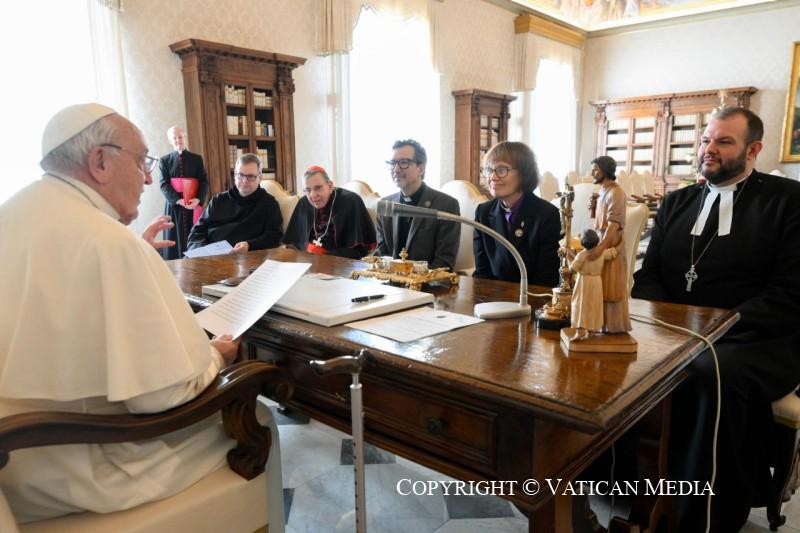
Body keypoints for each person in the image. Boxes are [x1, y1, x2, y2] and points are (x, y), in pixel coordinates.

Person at [0, 103, 253, 523]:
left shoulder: (14, 212)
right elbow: (163, 395)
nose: (150, 178)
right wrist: (216, 355)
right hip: (75, 465)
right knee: (256, 417)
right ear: (99, 161)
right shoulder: (108, 241)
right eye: (142, 162)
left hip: (16, 459)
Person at [632, 107, 800, 531]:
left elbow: (790, 293)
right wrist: (669, 325)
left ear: (753, 149)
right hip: (676, 333)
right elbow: (647, 277)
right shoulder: (677, 202)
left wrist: (710, 330)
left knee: (707, 371)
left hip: (758, 340)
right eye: (706, 140)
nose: (708, 149)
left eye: (724, 141)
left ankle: (704, 517)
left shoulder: (788, 202)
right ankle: (629, 488)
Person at [472, 141, 560, 286]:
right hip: (491, 301)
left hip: (531, 300)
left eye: (501, 170)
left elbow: (547, 278)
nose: (492, 177)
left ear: (524, 173)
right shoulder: (483, 212)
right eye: (488, 170)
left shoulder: (546, 214)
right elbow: (482, 273)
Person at [375, 139, 460, 270]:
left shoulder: (446, 205)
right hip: (389, 284)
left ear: (421, 168)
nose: (396, 169)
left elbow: (444, 263)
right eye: (392, 163)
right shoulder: (386, 205)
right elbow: (381, 255)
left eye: (404, 162)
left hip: (427, 286)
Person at [188, 153, 282, 253]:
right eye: (240, 175)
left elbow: (275, 236)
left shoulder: (269, 204)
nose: (244, 181)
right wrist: (203, 251)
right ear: (234, 176)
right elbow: (196, 232)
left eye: (250, 176)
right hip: (208, 257)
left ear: (260, 178)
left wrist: (250, 245)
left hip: (245, 259)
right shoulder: (218, 200)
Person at [283, 165, 376, 259]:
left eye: (318, 188)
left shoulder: (350, 201)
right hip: (307, 261)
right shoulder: (304, 202)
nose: (313, 195)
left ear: (330, 186)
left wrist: (321, 257)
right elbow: (293, 244)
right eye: (308, 190)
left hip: (336, 263)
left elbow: (358, 251)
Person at [587, 155, 631, 333]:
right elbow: (600, 220)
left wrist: (601, 248)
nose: (592, 173)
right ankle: (600, 323)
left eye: (596, 169)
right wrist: (593, 207)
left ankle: (614, 326)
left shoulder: (616, 192)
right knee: (600, 287)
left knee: (611, 289)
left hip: (611, 245)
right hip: (603, 241)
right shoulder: (604, 191)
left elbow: (613, 225)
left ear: (605, 170)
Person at [159, 126, 208, 260]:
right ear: (170, 140)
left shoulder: (197, 159)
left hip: (192, 204)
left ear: (184, 137)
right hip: (174, 205)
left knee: (195, 235)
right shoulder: (164, 160)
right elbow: (164, 184)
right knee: (175, 236)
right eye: (174, 138)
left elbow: (203, 181)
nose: (178, 140)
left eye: (180, 137)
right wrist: (177, 200)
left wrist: (198, 199)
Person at [568, 229, 615, 341]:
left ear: (583, 242)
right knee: (593, 306)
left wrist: (568, 256)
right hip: (596, 282)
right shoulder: (601, 252)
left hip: (584, 282)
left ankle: (580, 331)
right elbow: (612, 253)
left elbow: (572, 269)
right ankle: (591, 330)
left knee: (580, 306)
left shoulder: (582, 255)